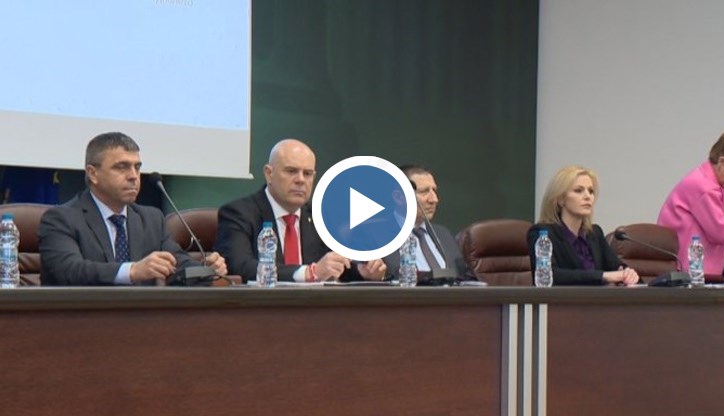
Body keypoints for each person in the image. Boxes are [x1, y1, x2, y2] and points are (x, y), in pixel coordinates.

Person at [39, 132, 227, 286]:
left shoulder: (150, 219)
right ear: (93, 173)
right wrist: (132, 270)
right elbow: (70, 271)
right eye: (122, 167)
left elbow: (177, 265)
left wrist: (206, 270)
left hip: (142, 318)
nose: (134, 176)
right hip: (83, 317)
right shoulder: (61, 219)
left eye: (137, 167)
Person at [215, 138, 387, 283]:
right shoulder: (239, 213)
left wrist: (363, 272)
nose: (300, 180)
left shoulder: (320, 217)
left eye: (307, 174)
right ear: (269, 173)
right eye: (291, 171)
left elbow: (338, 268)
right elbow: (239, 267)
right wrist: (308, 273)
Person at [527, 165, 639, 286]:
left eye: (591, 191)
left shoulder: (594, 233)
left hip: (597, 298)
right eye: (578, 190)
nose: (587, 196)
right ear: (560, 199)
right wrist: (603, 276)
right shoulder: (542, 233)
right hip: (563, 298)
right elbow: (550, 276)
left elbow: (616, 267)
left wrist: (628, 274)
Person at [382, 165, 474, 283]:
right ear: (399, 197)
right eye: (424, 192)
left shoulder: (443, 234)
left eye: (434, 190)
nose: (434, 199)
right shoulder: (376, 237)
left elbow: (464, 278)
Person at [658, 131, 724, 277]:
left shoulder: (718, 182)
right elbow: (720, 233)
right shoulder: (705, 187)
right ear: (722, 162)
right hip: (689, 269)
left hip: (705, 268)